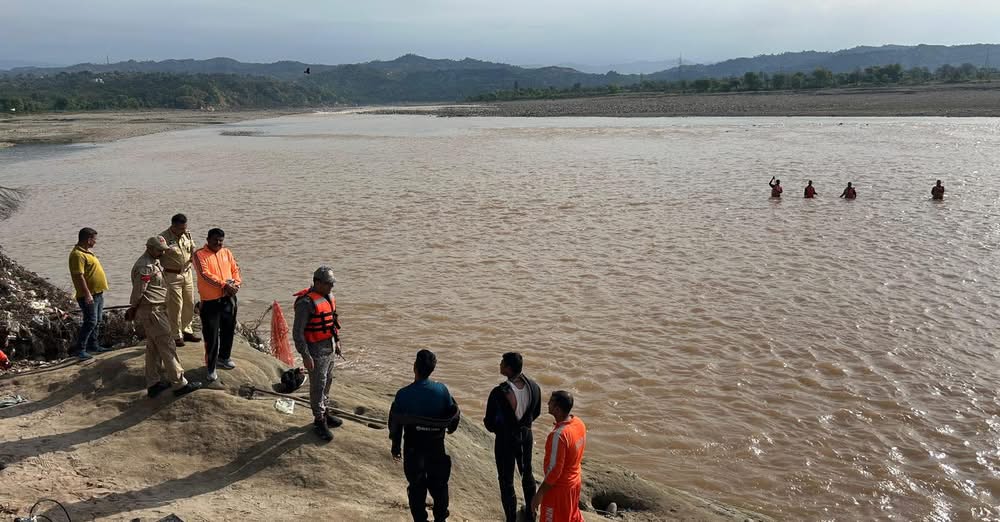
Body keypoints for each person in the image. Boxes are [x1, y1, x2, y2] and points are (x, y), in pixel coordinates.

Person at [389, 350, 461, 522]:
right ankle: (440, 518)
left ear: (414, 367)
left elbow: (395, 423)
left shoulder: (403, 394)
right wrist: (450, 429)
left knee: (416, 487)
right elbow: (453, 413)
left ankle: (420, 519)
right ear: (432, 369)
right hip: (436, 447)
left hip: (413, 449)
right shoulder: (442, 390)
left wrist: (395, 447)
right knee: (440, 486)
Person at [126, 236, 201, 398]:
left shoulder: (154, 262)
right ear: (149, 248)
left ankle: (153, 383)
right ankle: (179, 384)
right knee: (168, 345)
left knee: (153, 348)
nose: (162, 253)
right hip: (153, 311)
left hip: (157, 309)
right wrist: (133, 308)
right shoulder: (145, 266)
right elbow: (139, 291)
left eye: (163, 250)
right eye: (159, 250)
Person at [484, 352, 542, 522]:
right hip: (526, 436)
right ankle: (531, 514)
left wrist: (501, 429)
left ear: (508, 368)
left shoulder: (499, 392)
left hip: (506, 440)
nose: (499, 365)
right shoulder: (534, 387)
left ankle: (511, 518)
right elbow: (536, 412)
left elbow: (489, 422)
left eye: (502, 363)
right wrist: (523, 425)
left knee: (506, 480)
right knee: (527, 474)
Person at [292, 266, 344, 441]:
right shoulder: (306, 303)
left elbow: (333, 321)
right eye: (328, 283)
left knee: (328, 381)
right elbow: (298, 333)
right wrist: (305, 355)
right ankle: (319, 420)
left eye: (332, 283)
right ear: (317, 283)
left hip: (329, 346)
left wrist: (337, 341)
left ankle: (325, 411)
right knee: (318, 385)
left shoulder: (329, 297)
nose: (331, 286)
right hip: (315, 350)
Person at [192, 228, 241, 382]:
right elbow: (205, 275)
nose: (218, 243)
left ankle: (224, 358)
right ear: (208, 240)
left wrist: (236, 284)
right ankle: (211, 367)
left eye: (221, 240)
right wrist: (224, 285)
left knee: (228, 330)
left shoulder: (226, 252)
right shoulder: (199, 255)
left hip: (229, 298)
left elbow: (235, 269)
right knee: (211, 336)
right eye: (215, 240)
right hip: (210, 302)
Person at [530, 391, 587, 522]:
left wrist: (539, 495)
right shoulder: (578, 423)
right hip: (575, 482)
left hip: (558, 491)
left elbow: (554, 471)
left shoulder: (558, 436)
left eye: (551, 402)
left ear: (557, 409)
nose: (547, 403)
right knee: (572, 517)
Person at [68, 227, 110, 360]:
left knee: (97, 321)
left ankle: (93, 345)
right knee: (90, 321)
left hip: (98, 293)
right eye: (94, 239)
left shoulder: (87, 252)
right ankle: (80, 350)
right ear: (88, 239)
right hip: (88, 295)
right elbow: (79, 276)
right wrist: (87, 294)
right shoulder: (77, 255)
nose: (95, 242)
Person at [160, 213, 200, 347]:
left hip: (187, 273)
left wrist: (193, 258)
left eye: (185, 227)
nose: (184, 230)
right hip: (172, 275)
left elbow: (192, 248)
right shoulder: (163, 238)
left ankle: (187, 330)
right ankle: (176, 335)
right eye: (181, 228)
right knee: (175, 306)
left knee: (189, 303)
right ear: (173, 226)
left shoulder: (187, 235)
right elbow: (155, 255)